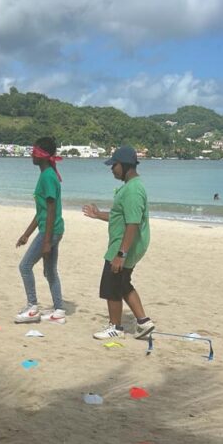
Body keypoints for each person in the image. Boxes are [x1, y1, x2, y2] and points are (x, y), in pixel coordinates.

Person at [83, 145, 154, 340]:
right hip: (125, 243)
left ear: (124, 165)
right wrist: (98, 214)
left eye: (114, 165)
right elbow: (119, 217)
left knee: (111, 284)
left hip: (123, 245)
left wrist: (121, 254)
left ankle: (115, 327)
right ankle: (143, 322)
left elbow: (132, 223)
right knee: (123, 283)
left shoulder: (133, 190)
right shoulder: (131, 187)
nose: (111, 169)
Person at [14, 136, 66, 323]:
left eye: (34, 152)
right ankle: (59, 311)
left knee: (25, 266)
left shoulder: (48, 177)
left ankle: (32, 308)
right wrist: (26, 234)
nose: (31, 155)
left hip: (50, 231)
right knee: (50, 271)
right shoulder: (47, 174)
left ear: (42, 156)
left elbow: (51, 210)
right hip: (52, 229)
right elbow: (41, 212)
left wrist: (46, 241)